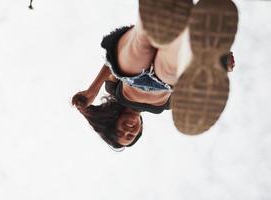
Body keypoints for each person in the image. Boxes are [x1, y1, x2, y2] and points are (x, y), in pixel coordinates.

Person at [72, 0, 238, 149]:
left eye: (119, 132)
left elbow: (109, 65)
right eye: (130, 136)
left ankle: (153, 21)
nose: (126, 131)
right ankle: (193, 41)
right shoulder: (166, 106)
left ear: (113, 123)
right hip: (164, 80)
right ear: (141, 128)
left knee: (134, 54)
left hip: (131, 75)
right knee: (171, 69)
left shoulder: (113, 90)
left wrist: (91, 92)